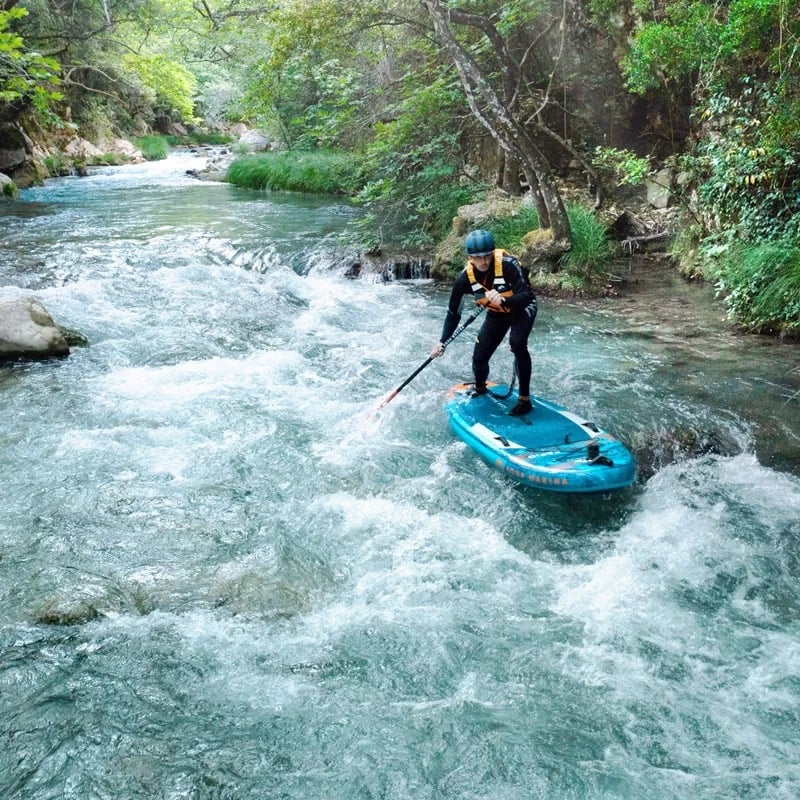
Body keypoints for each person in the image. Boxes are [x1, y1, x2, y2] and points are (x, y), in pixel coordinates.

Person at [430, 229, 537, 416]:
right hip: (497, 313)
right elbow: (453, 313)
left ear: (492, 253)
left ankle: (524, 400)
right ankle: (480, 388)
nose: (484, 262)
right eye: (478, 258)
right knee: (480, 355)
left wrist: (504, 300)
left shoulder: (508, 265)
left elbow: (525, 295)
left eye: (487, 256)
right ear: (469, 257)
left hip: (521, 308)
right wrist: (442, 341)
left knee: (517, 343)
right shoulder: (464, 279)